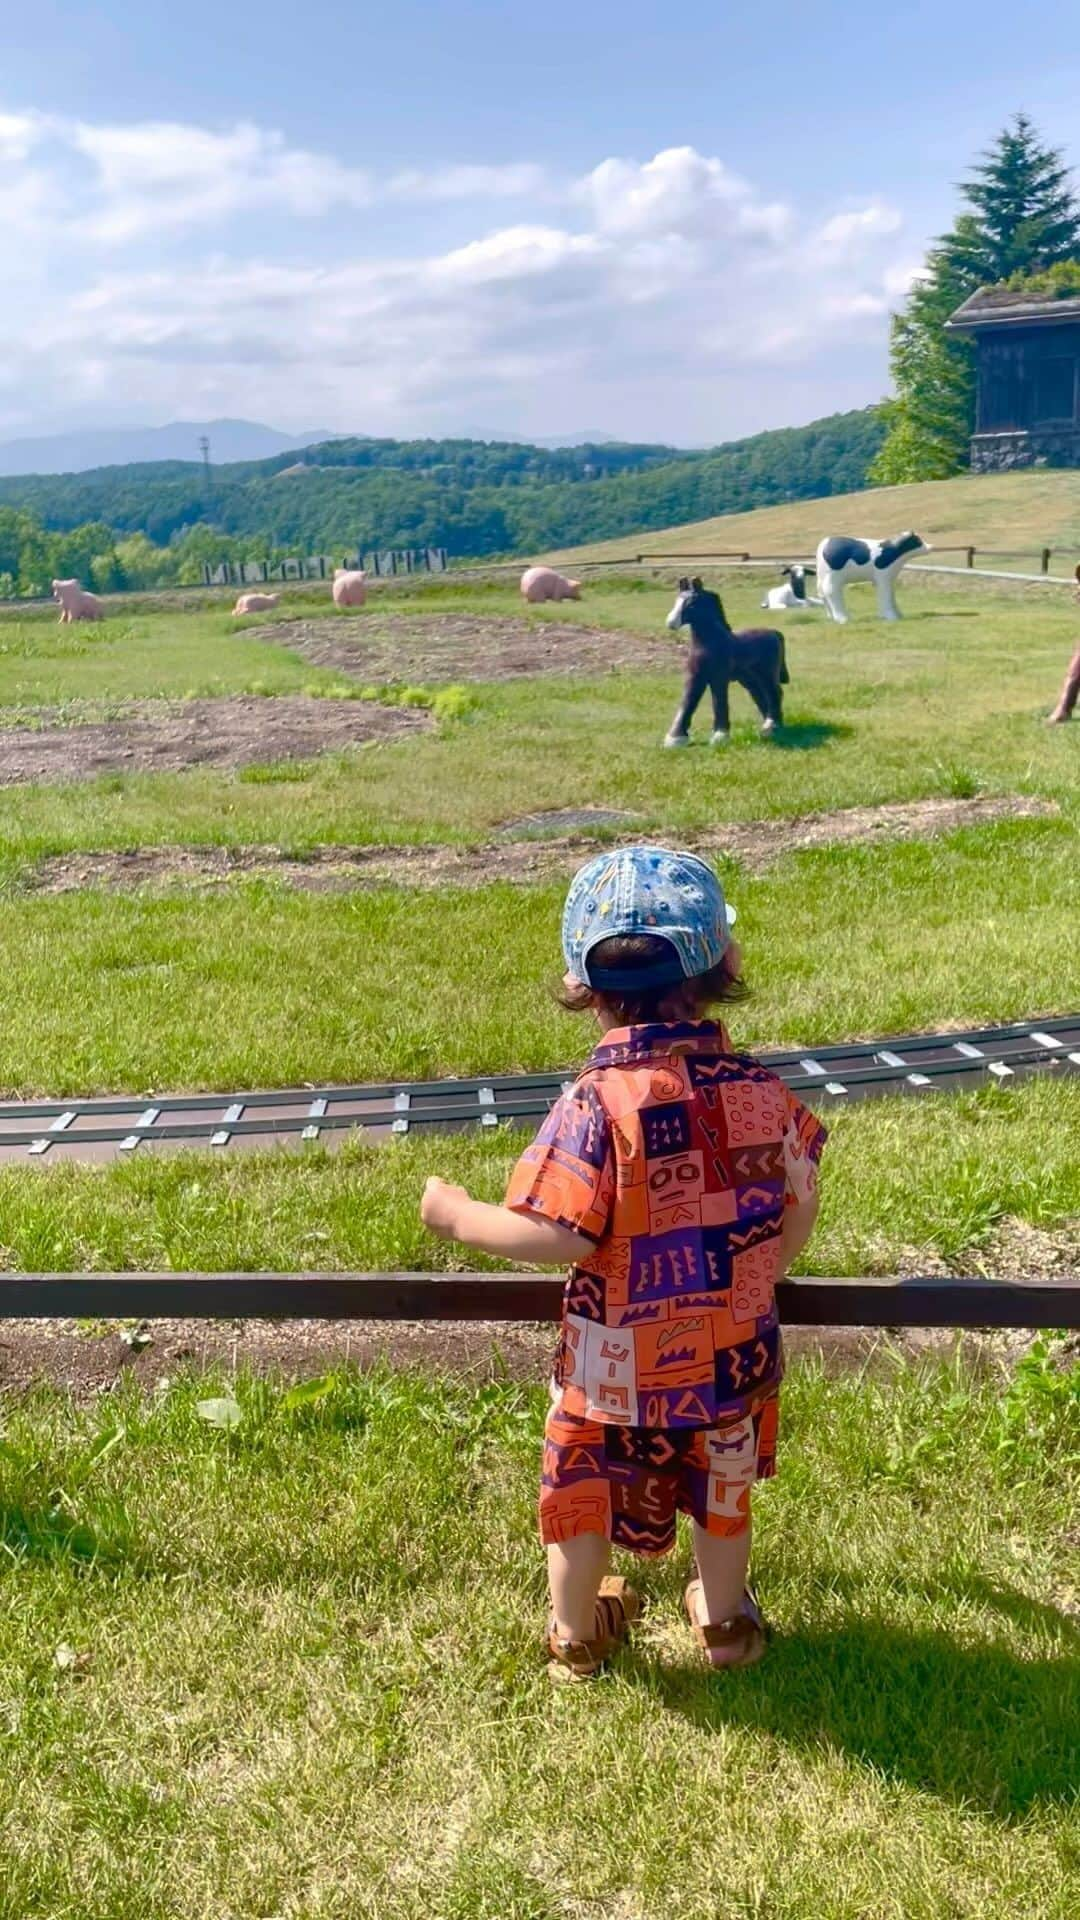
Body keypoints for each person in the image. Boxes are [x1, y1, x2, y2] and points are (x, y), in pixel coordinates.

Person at [421, 846, 826, 1680]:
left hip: (613, 1369)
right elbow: (789, 1225)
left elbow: (562, 1233)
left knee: (583, 1489)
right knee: (723, 1492)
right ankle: (724, 1626)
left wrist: (462, 1218)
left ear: (581, 985)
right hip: (730, 1360)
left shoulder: (595, 1103)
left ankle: (576, 1637)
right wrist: (775, 1252)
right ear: (724, 963)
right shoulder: (760, 1092)